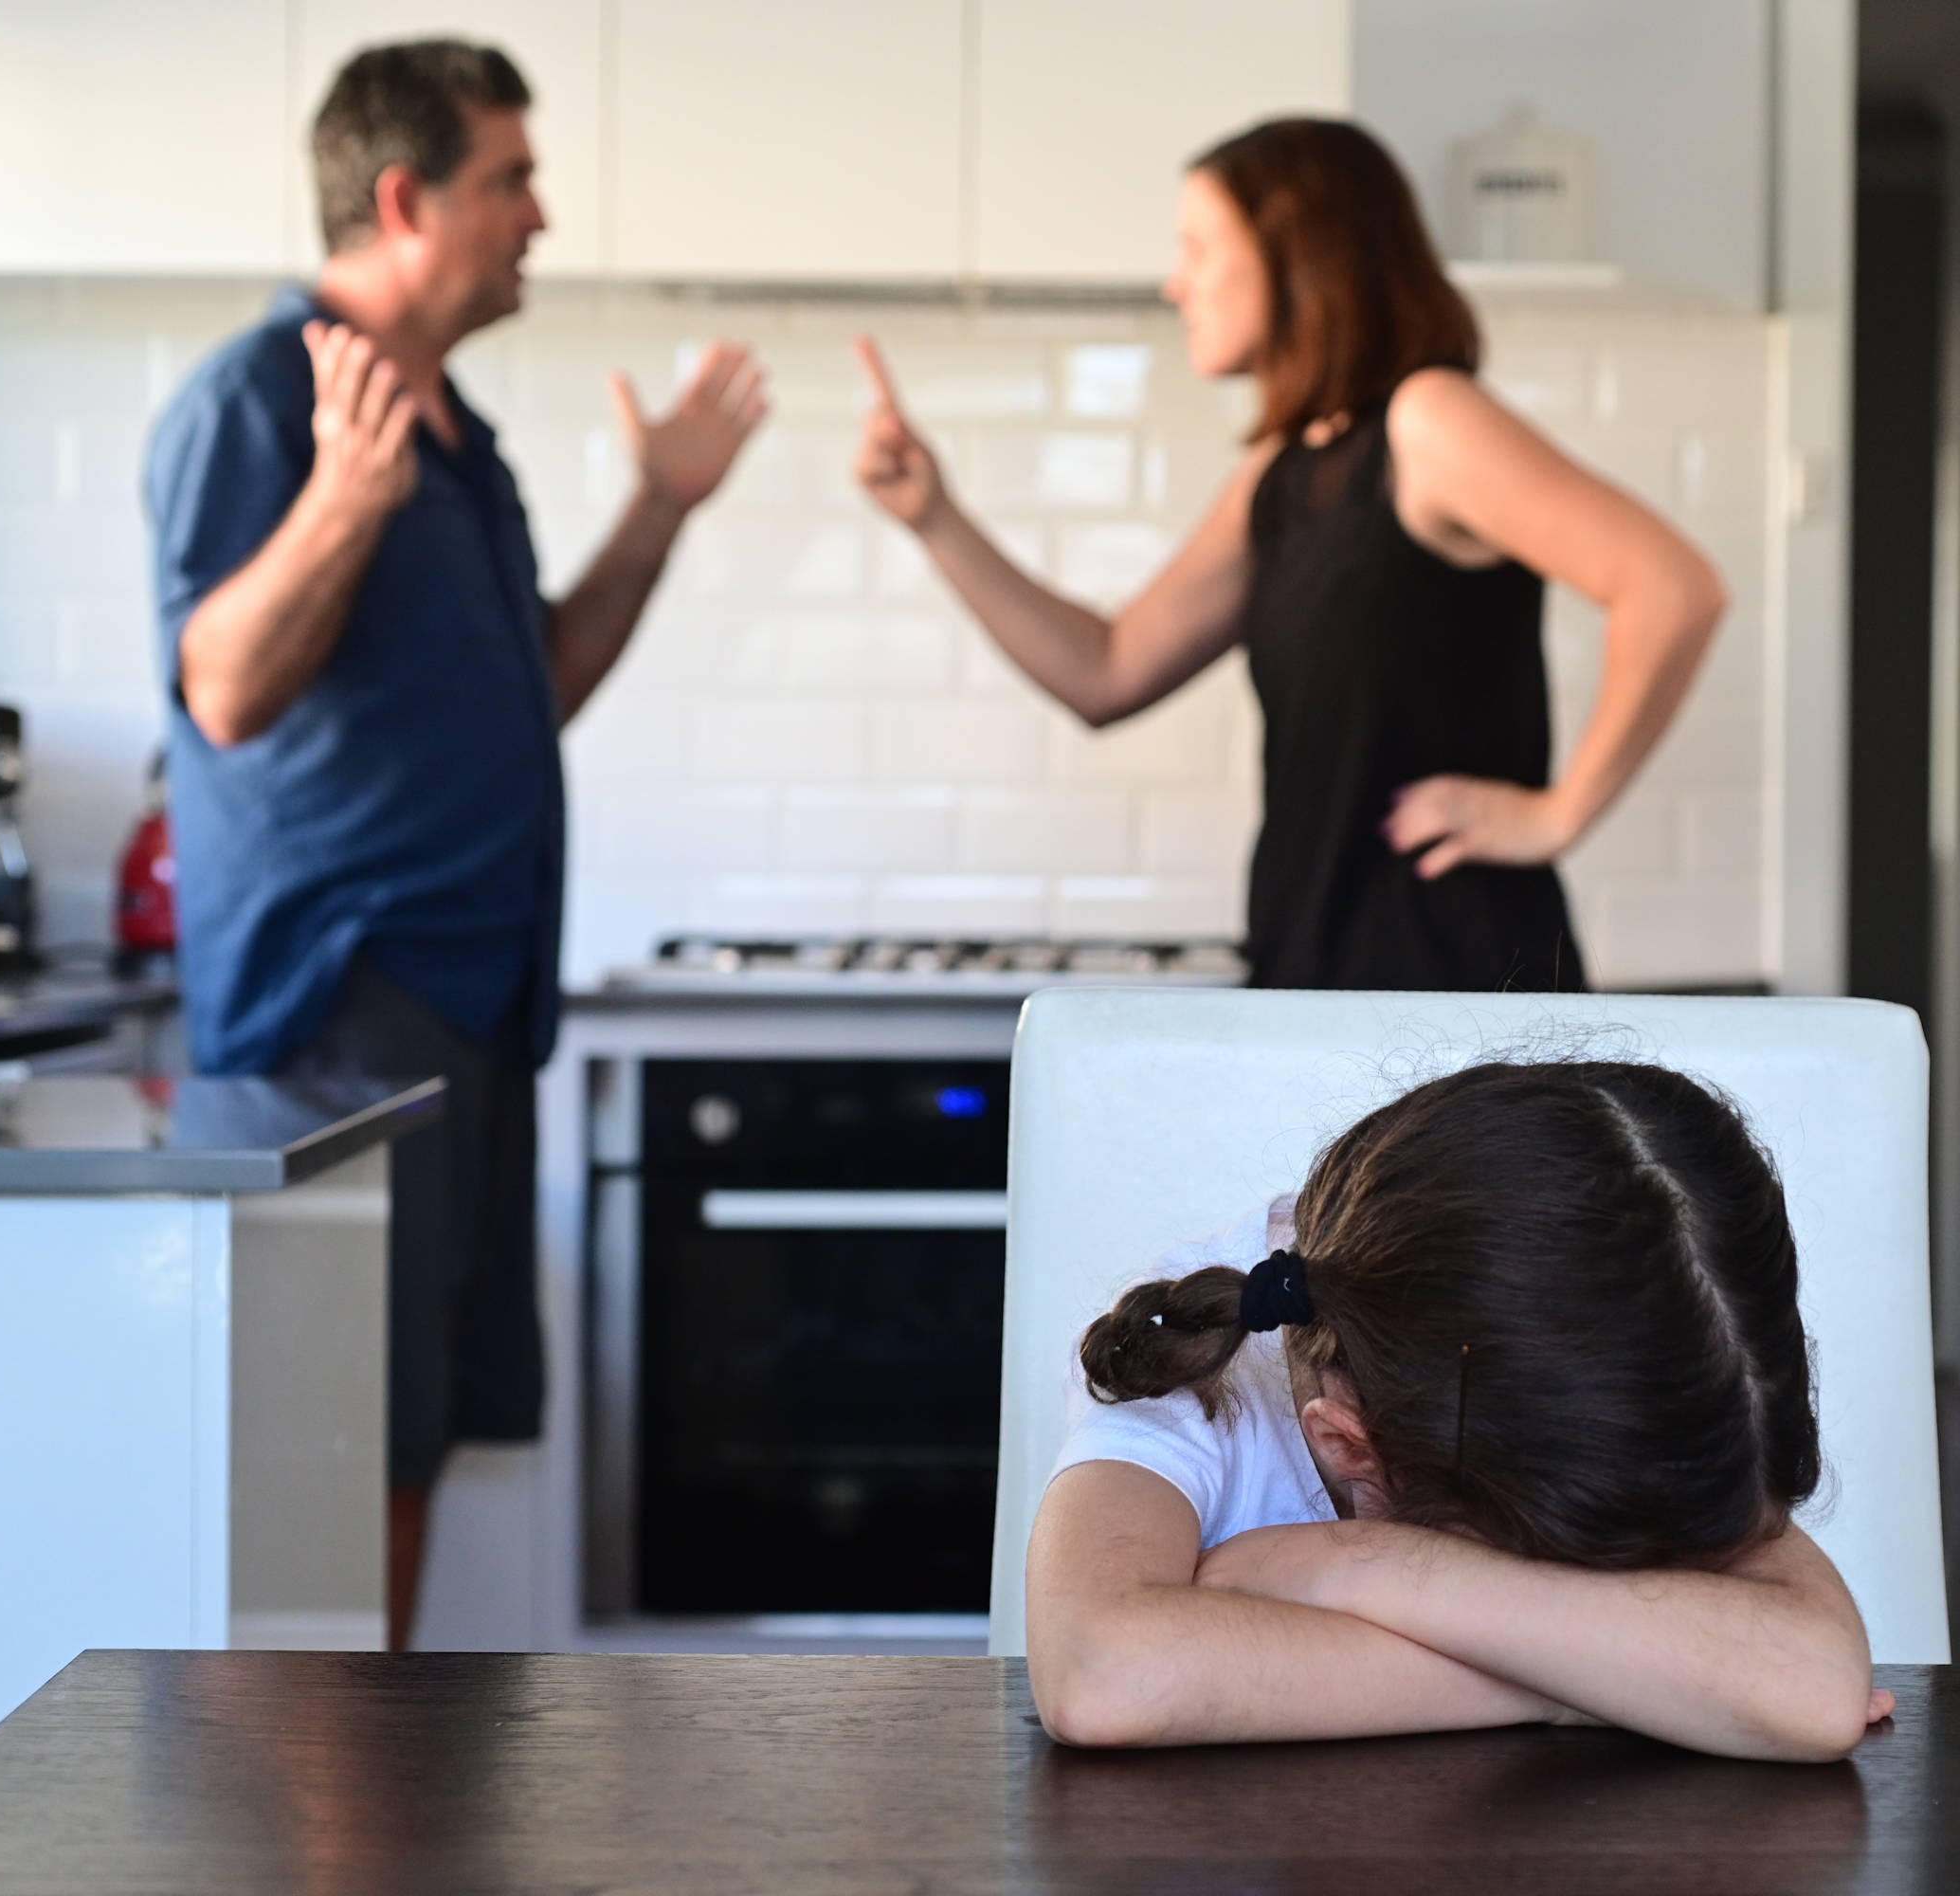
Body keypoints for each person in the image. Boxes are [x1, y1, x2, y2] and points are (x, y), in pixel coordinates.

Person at [142, 40, 767, 1649]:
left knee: (408, 1440)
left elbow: (532, 684)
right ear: (407, 196)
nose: (538, 214)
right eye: (511, 179)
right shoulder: (261, 397)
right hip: (339, 1008)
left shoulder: (456, 435)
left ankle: (375, 1828)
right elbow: (221, 686)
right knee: (327, 1454)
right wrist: (344, 502)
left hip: (470, 1006)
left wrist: (659, 513)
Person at [854, 118, 1724, 993]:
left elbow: (1673, 588)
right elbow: (1104, 671)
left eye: (1197, 248)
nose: (1174, 284)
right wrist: (936, 518)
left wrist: (1559, 814)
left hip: (1455, 983)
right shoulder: (1281, 475)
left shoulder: (1429, 421)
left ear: (1295, 251)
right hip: (1314, 972)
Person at [1025, 1060, 1896, 1755]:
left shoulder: (1647, 1368)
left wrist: (1357, 1566)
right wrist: (1596, 1681)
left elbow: (1809, 1685)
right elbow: (1101, 1673)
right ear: (1351, 1446)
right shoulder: (1185, 1374)